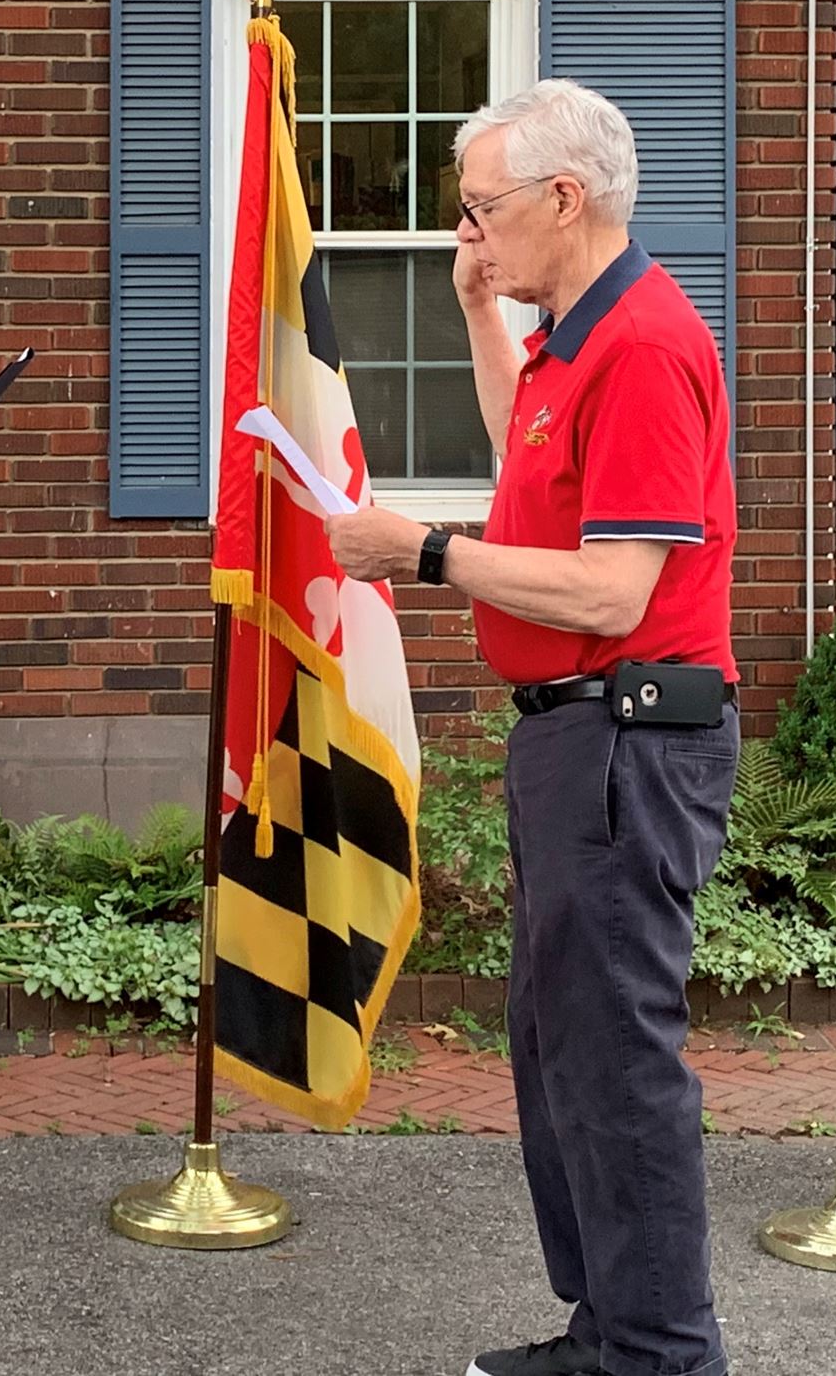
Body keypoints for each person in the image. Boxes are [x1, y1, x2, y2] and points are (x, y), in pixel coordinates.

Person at [323, 79, 738, 1376]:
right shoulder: (573, 335)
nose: (471, 234)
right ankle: (609, 1327)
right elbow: (534, 468)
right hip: (579, 740)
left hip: (627, 739)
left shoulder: (647, 346)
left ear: (565, 198)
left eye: (482, 211)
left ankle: (662, 1353)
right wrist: (472, 311)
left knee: (615, 1058)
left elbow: (616, 587)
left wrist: (427, 550)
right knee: (561, 1043)